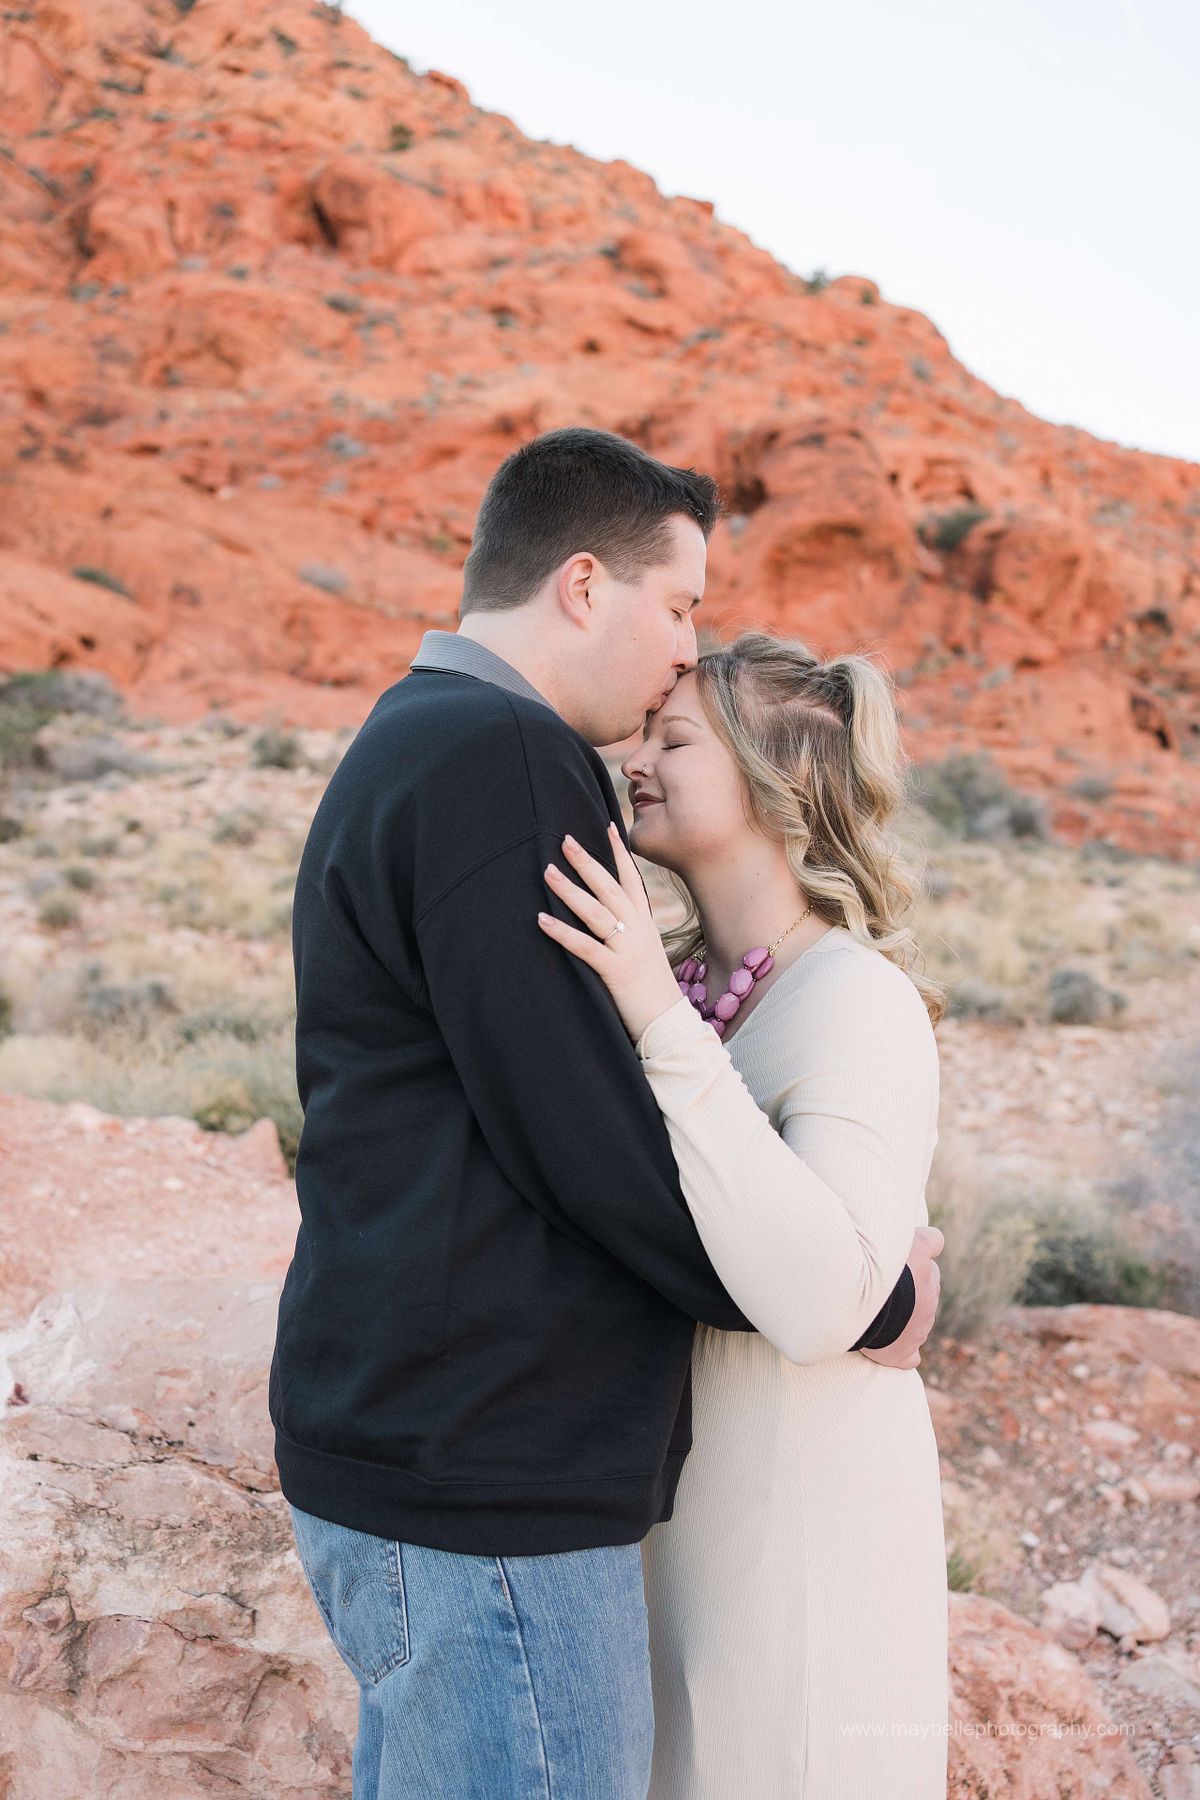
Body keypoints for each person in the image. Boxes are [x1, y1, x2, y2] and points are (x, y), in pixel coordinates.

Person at [268, 426, 943, 1799]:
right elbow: (585, 1143)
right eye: (679, 605)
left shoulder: (424, 737)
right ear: (584, 587)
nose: (681, 654)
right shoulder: (502, 759)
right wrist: (861, 1301)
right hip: (487, 1480)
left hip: (469, 1462)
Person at [537, 630, 949, 1797]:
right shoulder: (698, 991)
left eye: (675, 741)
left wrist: (654, 1017)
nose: (636, 760)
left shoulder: (851, 998)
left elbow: (827, 1300)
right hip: (683, 1517)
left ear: (784, 789)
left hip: (798, 1533)